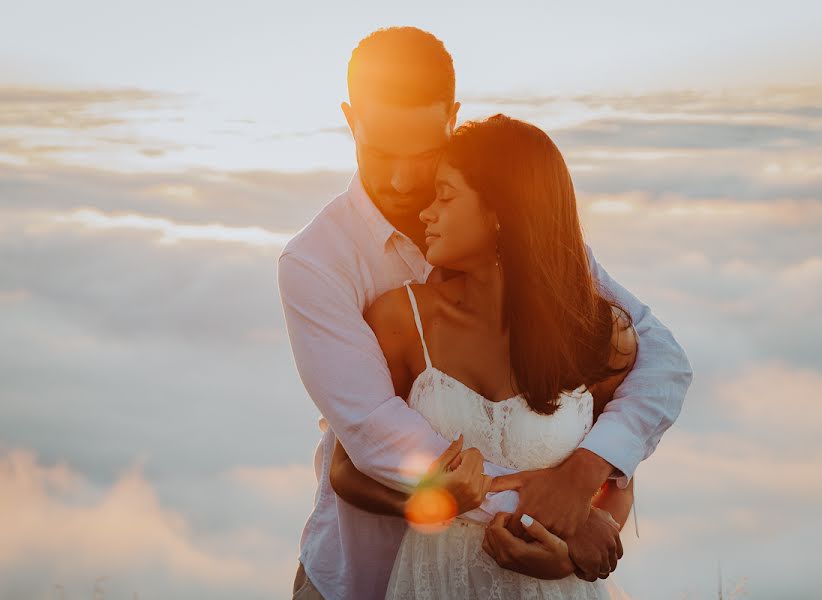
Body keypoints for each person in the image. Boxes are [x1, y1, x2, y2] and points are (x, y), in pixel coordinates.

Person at [278, 26, 693, 600]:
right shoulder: (317, 263)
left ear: (452, 117)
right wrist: (558, 520)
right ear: (351, 120)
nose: (401, 182)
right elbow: (373, 437)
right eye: (378, 152)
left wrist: (588, 471)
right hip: (362, 572)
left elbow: (660, 361)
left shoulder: (525, 233)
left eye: (421, 156)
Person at [330, 113, 639, 599]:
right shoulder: (402, 320)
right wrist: (430, 500)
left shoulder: (599, 333)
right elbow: (346, 472)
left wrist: (569, 557)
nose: (426, 212)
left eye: (445, 196)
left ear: (500, 212)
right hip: (434, 585)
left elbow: (616, 481)